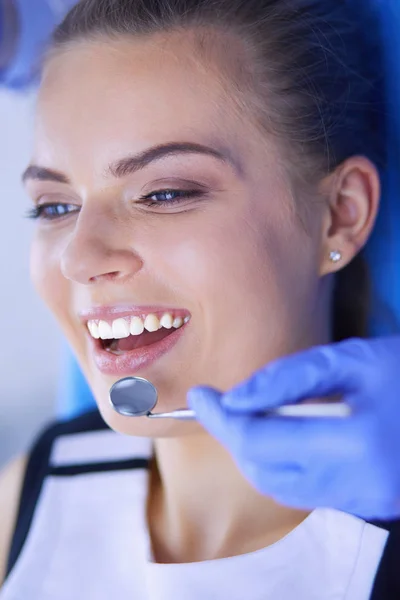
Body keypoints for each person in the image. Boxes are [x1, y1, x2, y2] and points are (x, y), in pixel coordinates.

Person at [0, 0, 399, 598]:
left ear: (341, 215)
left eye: (164, 193)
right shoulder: (30, 490)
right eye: (56, 206)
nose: (78, 259)